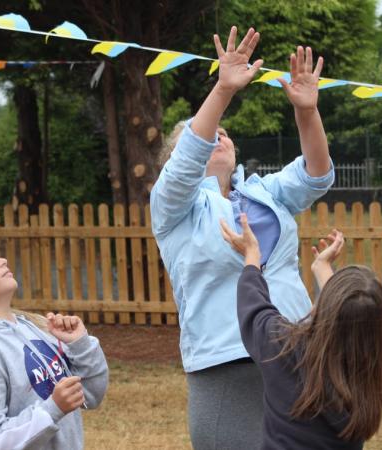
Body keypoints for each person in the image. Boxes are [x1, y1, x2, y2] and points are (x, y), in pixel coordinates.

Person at [150, 25, 335, 449]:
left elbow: (317, 175)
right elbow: (184, 167)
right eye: (204, 135)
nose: (219, 136)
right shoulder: (172, 209)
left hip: (299, 352)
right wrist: (222, 92)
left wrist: (307, 112)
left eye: (225, 133)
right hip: (229, 370)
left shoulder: (263, 192)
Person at [222, 217, 382, 449]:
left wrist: (252, 257)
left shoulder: (285, 350)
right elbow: (348, 317)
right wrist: (322, 269)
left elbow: (254, 309)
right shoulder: (365, 375)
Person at [0, 237, 109, 449]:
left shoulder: (39, 329)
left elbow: (91, 395)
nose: (2, 260)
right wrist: (53, 408)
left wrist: (81, 344)